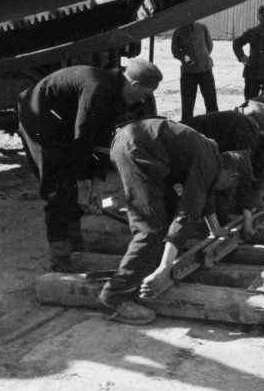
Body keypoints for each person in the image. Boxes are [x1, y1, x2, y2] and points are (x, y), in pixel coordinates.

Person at [15, 60, 163, 273]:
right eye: (145, 93)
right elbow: (82, 137)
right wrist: (84, 185)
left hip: (63, 121)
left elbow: (102, 141)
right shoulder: (100, 88)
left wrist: (97, 184)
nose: (144, 99)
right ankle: (61, 260)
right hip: (39, 117)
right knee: (61, 188)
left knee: (74, 186)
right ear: (133, 84)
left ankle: (75, 246)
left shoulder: (117, 94)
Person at [100, 118, 242, 324]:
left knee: (167, 212)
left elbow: (205, 197)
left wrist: (216, 230)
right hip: (137, 150)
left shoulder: (210, 155)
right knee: (151, 228)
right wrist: (165, 269)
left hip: (140, 146)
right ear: (231, 176)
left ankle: (148, 263)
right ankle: (113, 296)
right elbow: (189, 211)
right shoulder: (209, 161)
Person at [171, 21, 218, 120]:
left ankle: (214, 129)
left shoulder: (202, 28)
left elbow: (209, 46)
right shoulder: (178, 32)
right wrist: (185, 58)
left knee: (212, 105)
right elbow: (175, 52)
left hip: (206, 71)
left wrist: (202, 59)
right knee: (187, 107)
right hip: (188, 74)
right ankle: (187, 130)